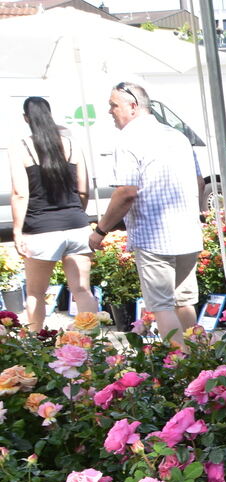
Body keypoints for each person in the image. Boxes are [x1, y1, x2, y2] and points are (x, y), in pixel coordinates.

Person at [88, 81, 203, 346]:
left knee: (163, 306)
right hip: (187, 233)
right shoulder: (177, 135)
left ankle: (182, 367)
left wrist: (100, 230)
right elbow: (199, 182)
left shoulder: (128, 138)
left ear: (133, 106)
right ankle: (201, 362)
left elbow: (127, 192)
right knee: (184, 302)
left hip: (154, 236)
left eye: (113, 105)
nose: (109, 112)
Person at [10, 97, 98, 331]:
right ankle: (92, 343)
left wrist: (17, 231)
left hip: (40, 229)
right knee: (82, 290)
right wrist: (76, 212)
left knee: (35, 293)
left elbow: (20, 194)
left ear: (26, 119)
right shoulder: (71, 145)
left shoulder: (21, 148)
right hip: (77, 225)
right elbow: (83, 190)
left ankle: (35, 345)